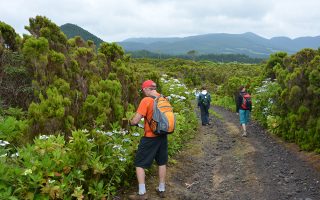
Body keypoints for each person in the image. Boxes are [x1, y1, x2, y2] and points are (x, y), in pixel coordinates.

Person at [129, 80, 168, 199]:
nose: (143, 92)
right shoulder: (163, 99)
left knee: (139, 163)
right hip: (163, 136)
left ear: (146, 88)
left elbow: (136, 120)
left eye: (143, 90)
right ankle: (161, 189)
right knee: (162, 162)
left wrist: (131, 122)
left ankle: (142, 192)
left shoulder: (146, 100)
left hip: (150, 137)